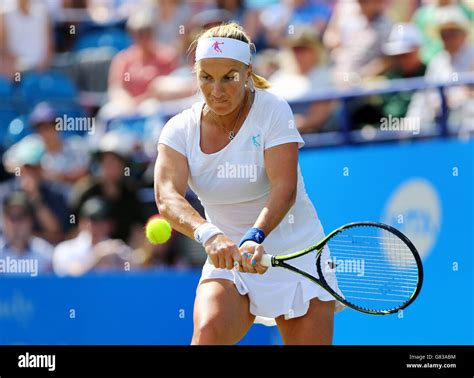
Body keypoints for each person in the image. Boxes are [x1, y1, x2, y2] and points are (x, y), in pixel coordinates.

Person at [155, 22, 342, 345]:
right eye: (206, 78)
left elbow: (284, 187)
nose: (217, 90)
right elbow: (167, 196)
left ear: (247, 72)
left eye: (229, 77)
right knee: (207, 334)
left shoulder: (273, 110)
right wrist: (209, 234)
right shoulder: (178, 129)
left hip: (295, 256)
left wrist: (256, 237)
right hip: (228, 259)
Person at [0, 191, 54, 276]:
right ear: (5, 220)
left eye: (21, 216)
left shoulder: (45, 253)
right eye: (12, 217)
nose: (16, 223)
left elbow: (51, 287)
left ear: (30, 220)